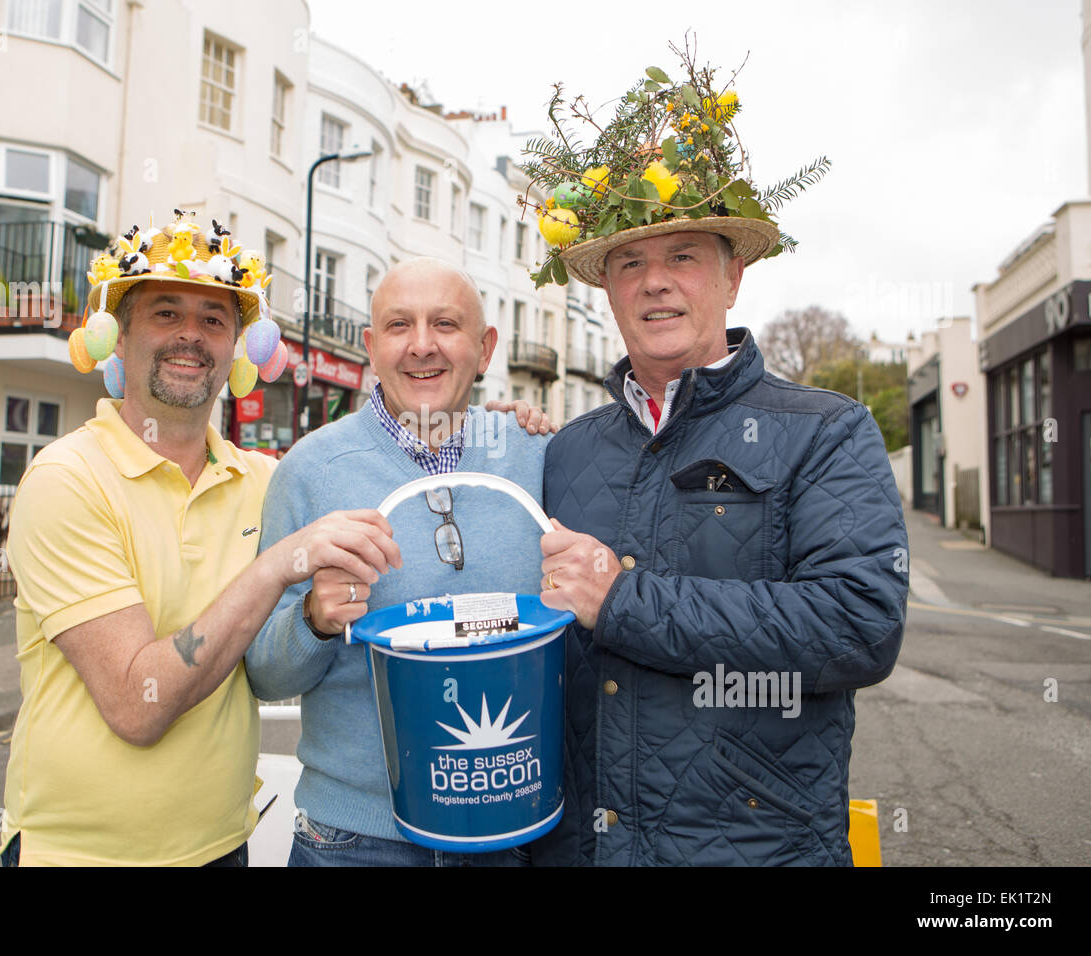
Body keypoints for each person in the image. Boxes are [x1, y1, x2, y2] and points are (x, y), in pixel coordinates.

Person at [524, 65, 908, 865]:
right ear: (608, 292)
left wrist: (625, 599)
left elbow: (858, 627)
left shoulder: (825, 432)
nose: (656, 281)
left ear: (734, 276)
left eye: (685, 256)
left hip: (757, 847)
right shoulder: (566, 451)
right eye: (630, 262)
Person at [0, 211, 400, 866]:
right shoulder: (67, 480)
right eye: (165, 313)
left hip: (222, 848)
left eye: (214, 320)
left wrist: (483, 434)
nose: (191, 335)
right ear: (119, 337)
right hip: (78, 856)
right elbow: (137, 705)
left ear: (238, 346)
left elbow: (381, 486)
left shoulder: (266, 481)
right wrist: (277, 567)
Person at [245, 257, 553, 866]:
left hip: (511, 828)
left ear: (485, 348)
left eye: (445, 324)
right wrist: (313, 619)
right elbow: (264, 676)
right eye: (397, 325)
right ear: (370, 347)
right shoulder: (308, 472)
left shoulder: (537, 455)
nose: (421, 346)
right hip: (354, 842)